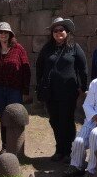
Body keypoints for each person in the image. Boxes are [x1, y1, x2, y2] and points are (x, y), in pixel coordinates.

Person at [36, 17, 88, 162]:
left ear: (67, 32)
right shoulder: (47, 49)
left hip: (68, 92)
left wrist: (83, 87)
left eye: (61, 30)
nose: (58, 32)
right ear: (52, 33)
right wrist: (39, 84)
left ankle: (69, 151)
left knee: (67, 121)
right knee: (54, 121)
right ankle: (60, 149)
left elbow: (83, 68)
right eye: (55, 30)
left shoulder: (74, 47)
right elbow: (39, 67)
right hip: (51, 92)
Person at [0, 22, 31, 157]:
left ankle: (17, 148)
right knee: (3, 118)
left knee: (15, 117)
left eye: (6, 32)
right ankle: (5, 147)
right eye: (1, 32)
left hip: (14, 90)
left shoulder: (18, 49)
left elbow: (26, 69)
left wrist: (25, 91)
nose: (3, 34)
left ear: (10, 35)